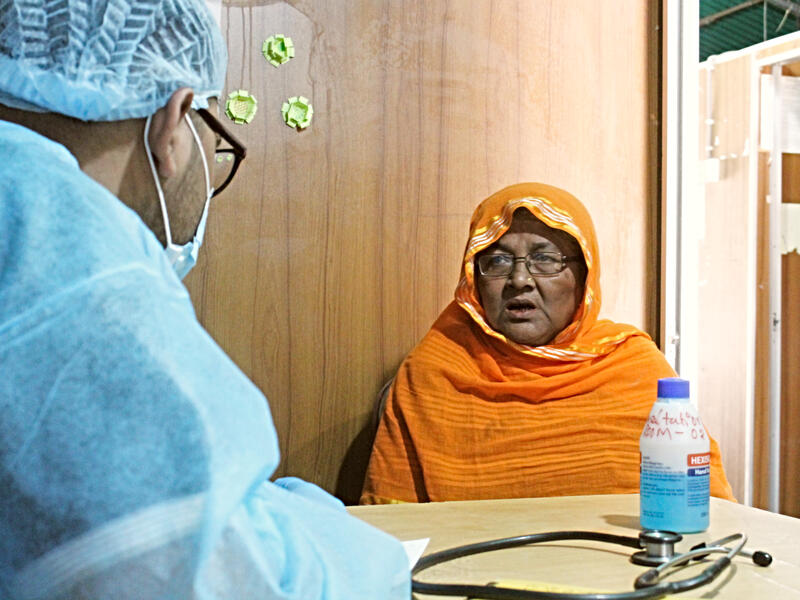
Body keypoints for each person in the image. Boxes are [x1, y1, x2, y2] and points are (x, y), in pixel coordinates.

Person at [0, 1, 409, 598]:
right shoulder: (71, 275)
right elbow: (238, 582)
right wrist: (371, 559)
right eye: (212, 136)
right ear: (173, 122)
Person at [361, 182, 735, 505]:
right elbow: (391, 525)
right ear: (473, 280)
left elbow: (704, 513)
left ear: (584, 275)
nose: (519, 279)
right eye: (497, 261)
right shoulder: (435, 370)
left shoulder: (635, 367)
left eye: (545, 259)